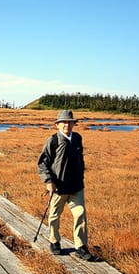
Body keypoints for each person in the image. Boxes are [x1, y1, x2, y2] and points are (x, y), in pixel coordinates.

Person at [37, 109, 99, 261]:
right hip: (59, 187)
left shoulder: (77, 138)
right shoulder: (53, 140)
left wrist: (81, 174)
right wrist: (49, 181)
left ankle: (81, 247)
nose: (67, 125)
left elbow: (81, 159)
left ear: (73, 124)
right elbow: (42, 163)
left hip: (76, 187)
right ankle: (54, 241)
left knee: (80, 214)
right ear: (57, 125)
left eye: (70, 122)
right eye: (63, 122)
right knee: (54, 216)